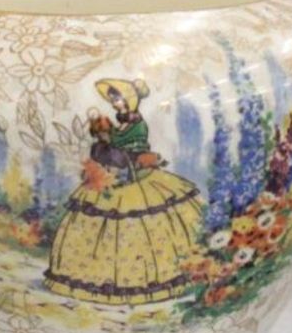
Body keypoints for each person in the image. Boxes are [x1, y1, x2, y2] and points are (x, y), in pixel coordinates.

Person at [45, 77, 207, 305]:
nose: (115, 104)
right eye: (113, 100)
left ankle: (151, 276)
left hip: (134, 171)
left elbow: (134, 147)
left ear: (130, 102)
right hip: (116, 171)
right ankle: (98, 274)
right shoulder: (122, 123)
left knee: (141, 220)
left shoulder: (138, 124)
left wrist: (113, 145)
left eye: (118, 100)